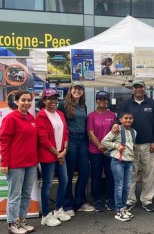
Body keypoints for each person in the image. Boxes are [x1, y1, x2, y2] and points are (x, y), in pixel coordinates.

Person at [113, 79, 154, 212]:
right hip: (130, 145)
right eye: (136, 87)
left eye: (141, 87)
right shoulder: (126, 104)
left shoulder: (152, 104)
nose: (138, 89)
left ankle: (147, 200)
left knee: (148, 173)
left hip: (148, 144)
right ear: (132, 89)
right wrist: (116, 123)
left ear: (145, 88)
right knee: (131, 174)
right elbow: (119, 119)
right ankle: (130, 200)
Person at [0, 90, 38, 234]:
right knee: (14, 195)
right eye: (23, 100)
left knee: (26, 194)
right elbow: (4, 141)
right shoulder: (11, 118)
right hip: (15, 163)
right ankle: (12, 224)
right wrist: (4, 162)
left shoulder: (32, 118)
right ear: (16, 101)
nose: (27, 103)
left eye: (29, 100)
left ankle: (22, 221)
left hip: (31, 163)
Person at [57, 81, 94, 216]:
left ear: (83, 91)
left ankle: (80, 202)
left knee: (84, 171)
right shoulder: (63, 104)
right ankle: (67, 204)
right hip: (70, 139)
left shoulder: (83, 105)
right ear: (70, 90)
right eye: (75, 88)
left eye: (80, 89)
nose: (77, 91)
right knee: (69, 172)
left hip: (82, 140)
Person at [36, 88, 71, 227]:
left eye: (55, 98)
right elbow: (43, 139)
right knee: (47, 185)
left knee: (65, 181)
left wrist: (64, 150)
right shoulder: (41, 116)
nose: (53, 101)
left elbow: (66, 133)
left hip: (61, 154)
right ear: (44, 101)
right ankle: (45, 215)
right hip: (48, 156)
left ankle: (58, 209)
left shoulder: (60, 114)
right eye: (50, 98)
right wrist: (58, 154)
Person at [102, 112, 136, 222]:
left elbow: (131, 145)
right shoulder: (117, 130)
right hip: (118, 161)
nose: (128, 120)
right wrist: (117, 146)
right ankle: (118, 210)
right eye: (125, 118)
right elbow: (104, 141)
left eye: (130, 118)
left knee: (127, 186)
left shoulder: (134, 132)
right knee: (119, 185)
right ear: (120, 120)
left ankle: (123, 207)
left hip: (129, 162)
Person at [87, 91, 116, 212]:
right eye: (100, 99)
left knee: (110, 175)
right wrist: (100, 146)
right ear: (96, 101)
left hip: (109, 150)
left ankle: (110, 199)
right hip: (95, 150)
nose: (102, 101)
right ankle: (97, 200)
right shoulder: (91, 116)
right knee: (96, 176)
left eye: (105, 99)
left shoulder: (112, 115)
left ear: (107, 101)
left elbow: (114, 132)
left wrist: (107, 147)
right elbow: (90, 133)